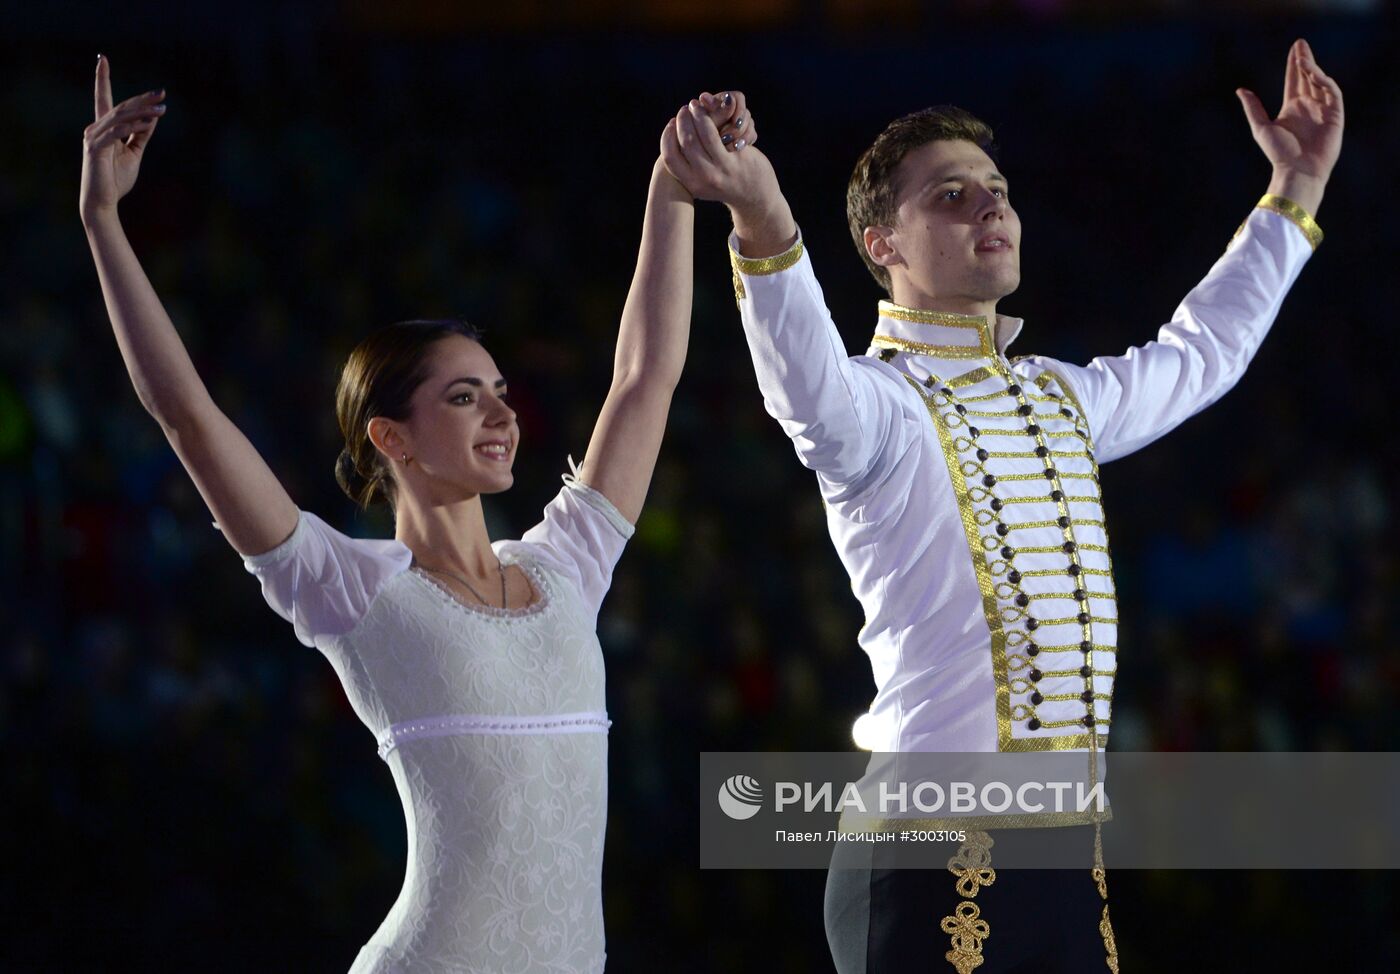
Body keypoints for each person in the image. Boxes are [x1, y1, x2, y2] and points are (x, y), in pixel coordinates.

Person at [664, 39, 1343, 974]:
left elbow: (1201, 354)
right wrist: (761, 212)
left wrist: (1293, 194)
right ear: (882, 246)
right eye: (951, 193)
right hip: (924, 855)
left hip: (1069, 855)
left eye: (998, 188)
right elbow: (804, 387)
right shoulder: (881, 407)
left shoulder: (1058, 397)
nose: (991, 204)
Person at [80, 56, 749, 972]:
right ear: (390, 437)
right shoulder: (351, 588)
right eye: (466, 398)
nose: (506, 414)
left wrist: (672, 185)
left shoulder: (568, 565)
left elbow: (644, 377)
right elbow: (188, 419)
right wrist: (104, 222)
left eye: (502, 391)